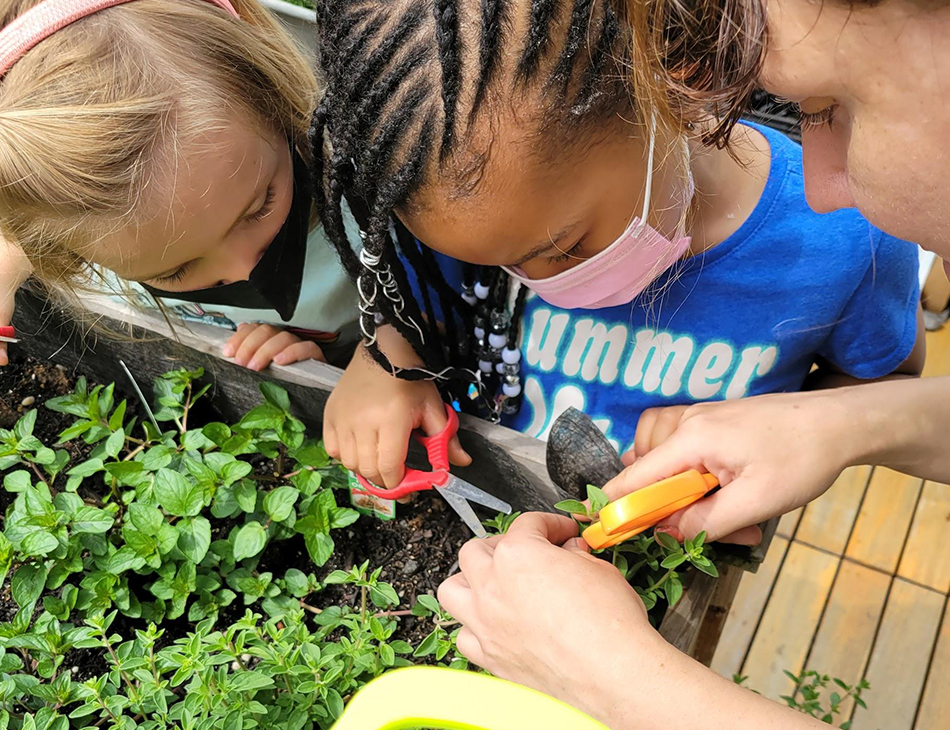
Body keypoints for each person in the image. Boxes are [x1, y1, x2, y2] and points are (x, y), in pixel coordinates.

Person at [435, 0, 950, 727]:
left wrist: (607, 673)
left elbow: (888, 364)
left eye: (834, 106)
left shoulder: (844, 244)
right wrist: (837, 424)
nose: (825, 187)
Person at [312, 0, 923, 497]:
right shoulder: (469, 202)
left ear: (666, 80)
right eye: (491, 263)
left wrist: (783, 433)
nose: (530, 279)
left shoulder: (847, 236)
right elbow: (422, 314)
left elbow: (886, 383)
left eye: (566, 245)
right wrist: (389, 360)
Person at [0, 0, 359, 371]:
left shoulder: (364, 193)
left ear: (272, 91)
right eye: (174, 271)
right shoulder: (85, 224)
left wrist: (372, 361)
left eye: (259, 207)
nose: (245, 270)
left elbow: (414, 307)